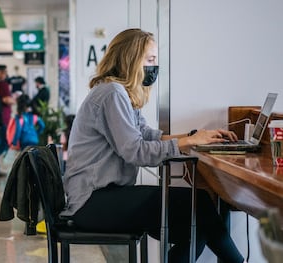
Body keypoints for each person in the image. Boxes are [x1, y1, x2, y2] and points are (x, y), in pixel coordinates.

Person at [61, 29, 246, 263]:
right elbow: (135, 151)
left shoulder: (119, 93)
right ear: (130, 59)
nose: (154, 67)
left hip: (102, 197)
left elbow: (146, 135)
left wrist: (193, 136)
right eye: (150, 60)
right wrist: (187, 142)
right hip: (92, 202)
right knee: (199, 208)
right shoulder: (111, 93)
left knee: (197, 221)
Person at [0, 65, 15, 175]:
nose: (6, 74)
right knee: (4, 144)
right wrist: (14, 100)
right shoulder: (3, 84)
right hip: (3, 118)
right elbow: (7, 100)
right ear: (0, 72)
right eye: (5, 72)